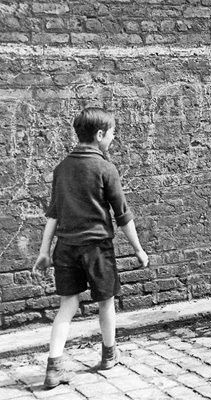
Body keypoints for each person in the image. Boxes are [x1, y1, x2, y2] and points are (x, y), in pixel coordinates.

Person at [32, 107, 149, 389]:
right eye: (111, 135)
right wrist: (138, 249)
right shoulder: (105, 168)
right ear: (99, 135)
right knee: (106, 301)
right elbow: (122, 214)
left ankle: (54, 367)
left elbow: (53, 214)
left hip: (66, 247)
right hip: (97, 248)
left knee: (67, 305)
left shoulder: (61, 169)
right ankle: (109, 354)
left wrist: (44, 251)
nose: (113, 139)